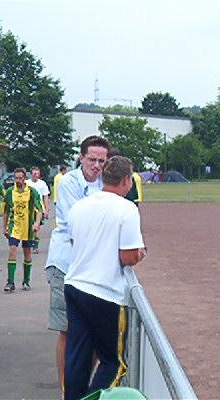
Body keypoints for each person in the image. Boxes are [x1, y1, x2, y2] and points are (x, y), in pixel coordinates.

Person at [64, 156, 146, 400]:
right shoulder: (126, 209)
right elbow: (128, 256)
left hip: (75, 285)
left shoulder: (80, 206)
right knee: (114, 363)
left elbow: (75, 242)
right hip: (105, 292)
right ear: (126, 180)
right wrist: (139, 253)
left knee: (78, 358)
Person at [45, 135, 111, 396]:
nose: (97, 166)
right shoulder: (69, 183)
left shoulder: (107, 182)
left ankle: (83, 389)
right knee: (67, 330)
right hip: (66, 264)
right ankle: (66, 391)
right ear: (81, 157)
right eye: (92, 159)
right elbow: (78, 223)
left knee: (92, 334)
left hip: (93, 268)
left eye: (102, 161)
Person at [2, 168, 43, 292]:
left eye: (20, 178)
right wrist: (4, 227)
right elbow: (5, 211)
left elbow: (39, 209)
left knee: (27, 253)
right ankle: (10, 282)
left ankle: (26, 281)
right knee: (12, 251)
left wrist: (36, 223)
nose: (18, 180)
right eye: (16, 178)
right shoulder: (10, 192)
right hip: (14, 226)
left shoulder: (32, 191)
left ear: (25, 178)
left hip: (28, 228)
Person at [25, 166, 50, 254]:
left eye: (38, 174)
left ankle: (35, 246)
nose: (36, 175)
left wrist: (46, 210)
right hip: (28, 208)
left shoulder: (42, 184)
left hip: (39, 208)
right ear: (31, 174)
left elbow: (45, 197)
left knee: (37, 227)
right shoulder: (27, 183)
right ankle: (28, 244)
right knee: (29, 227)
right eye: (34, 174)